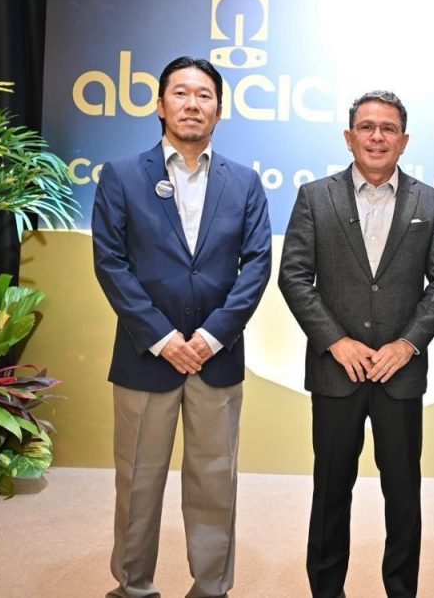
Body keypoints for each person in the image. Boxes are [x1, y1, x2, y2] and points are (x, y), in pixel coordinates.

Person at [92, 55, 272, 598]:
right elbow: (111, 263)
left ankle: (211, 587)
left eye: (204, 95)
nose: (192, 104)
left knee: (215, 480)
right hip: (145, 357)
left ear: (219, 109)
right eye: (181, 93)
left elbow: (256, 265)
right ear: (160, 105)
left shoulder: (244, 182)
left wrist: (211, 337)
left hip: (217, 358)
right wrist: (163, 338)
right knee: (137, 481)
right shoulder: (122, 175)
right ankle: (133, 586)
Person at [278, 90, 434, 598]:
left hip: (400, 374)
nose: (377, 137)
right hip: (337, 372)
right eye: (367, 127)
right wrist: (336, 341)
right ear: (349, 136)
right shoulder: (315, 196)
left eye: (388, 128)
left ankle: (401, 590)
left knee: (403, 496)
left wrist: (407, 345)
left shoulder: (430, 202)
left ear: (404, 139)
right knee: (331, 493)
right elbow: (294, 276)